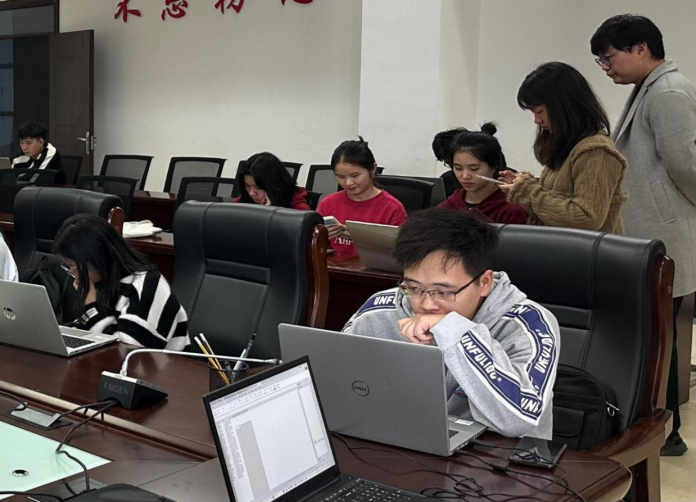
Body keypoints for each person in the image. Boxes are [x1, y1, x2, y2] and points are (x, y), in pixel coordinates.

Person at [343, 208, 560, 439]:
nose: (427, 304)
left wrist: (453, 331)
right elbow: (336, 384)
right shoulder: (379, 311)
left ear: (484, 282)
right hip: (397, 439)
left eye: (443, 292)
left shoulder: (531, 324)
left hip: (498, 453)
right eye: (414, 288)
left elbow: (516, 420)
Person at [591, 14, 696, 457]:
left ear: (640, 48)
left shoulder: (668, 92)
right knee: (655, 335)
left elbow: (688, 165)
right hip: (651, 232)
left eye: (608, 57)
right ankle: (659, 428)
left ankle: (666, 433)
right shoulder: (650, 87)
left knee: (660, 338)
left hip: (663, 233)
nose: (606, 68)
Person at [500, 62, 627, 233]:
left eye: (540, 111)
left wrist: (527, 191)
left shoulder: (595, 151)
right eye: (533, 112)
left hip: (584, 250)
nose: (537, 120)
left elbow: (586, 218)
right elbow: (557, 198)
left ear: (563, 107)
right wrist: (523, 185)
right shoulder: (568, 146)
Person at [54, 215, 190, 350]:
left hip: (160, 362)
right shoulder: (101, 281)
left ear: (97, 258)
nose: (72, 272)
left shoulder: (148, 285)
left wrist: (90, 307)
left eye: (73, 265)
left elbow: (129, 350)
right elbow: (89, 331)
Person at [317, 137, 407, 257]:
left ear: (373, 169)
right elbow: (310, 246)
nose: (348, 183)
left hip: (374, 268)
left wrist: (364, 240)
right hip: (334, 267)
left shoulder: (392, 208)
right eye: (341, 177)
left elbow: (403, 253)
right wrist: (320, 238)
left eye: (355, 176)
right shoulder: (328, 203)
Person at [438, 123, 528, 224]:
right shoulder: (445, 209)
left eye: (474, 169)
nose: (465, 176)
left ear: (493, 166)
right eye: (458, 168)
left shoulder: (511, 211)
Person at [234, 152, 311, 210]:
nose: (251, 193)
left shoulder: (299, 210)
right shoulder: (241, 203)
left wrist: (268, 212)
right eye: (247, 186)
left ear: (274, 185)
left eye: (257, 187)